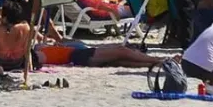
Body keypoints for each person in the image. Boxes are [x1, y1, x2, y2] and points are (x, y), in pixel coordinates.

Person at [0, 0, 35, 71]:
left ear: (5, 17)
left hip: (0, 63)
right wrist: (30, 68)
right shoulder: (25, 27)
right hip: (17, 62)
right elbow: (27, 50)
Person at [34, 42, 165, 68]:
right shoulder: (39, 54)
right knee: (121, 50)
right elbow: (35, 58)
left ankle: (155, 64)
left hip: (81, 57)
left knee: (119, 60)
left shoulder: (42, 48)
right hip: (79, 55)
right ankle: (158, 60)